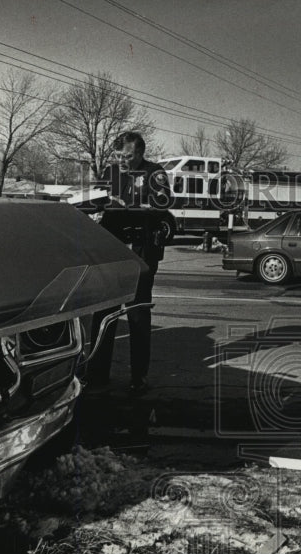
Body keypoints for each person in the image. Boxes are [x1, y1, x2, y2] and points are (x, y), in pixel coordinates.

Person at [88, 131, 171, 394]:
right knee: (104, 312)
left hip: (141, 251)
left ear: (140, 153)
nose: (122, 161)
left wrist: (128, 204)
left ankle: (138, 376)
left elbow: (162, 205)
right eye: (119, 156)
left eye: (128, 156)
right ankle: (97, 373)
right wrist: (93, 203)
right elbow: (95, 199)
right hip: (111, 250)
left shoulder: (155, 173)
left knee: (137, 313)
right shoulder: (110, 172)